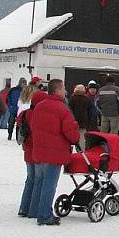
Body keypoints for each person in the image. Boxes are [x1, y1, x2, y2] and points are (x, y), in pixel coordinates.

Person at [30, 79, 80, 225]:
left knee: (39, 181)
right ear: (58, 90)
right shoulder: (62, 108)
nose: (65, 91)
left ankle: (34, 210)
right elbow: (71, 132)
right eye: (63, 88)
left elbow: (33, 125)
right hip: (55, 152)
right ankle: (44, 215)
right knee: (49, 185)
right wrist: (75, 138)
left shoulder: (39, 106)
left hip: (39, 150)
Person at [17, 90, 48, 217]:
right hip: (38, 151)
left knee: (30, 179)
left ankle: (24, 207)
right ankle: (34, 209)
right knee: (39, 180)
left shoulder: (24, 114)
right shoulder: (41, 116)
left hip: (27, 150)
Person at [69, 84, 96, 149]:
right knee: (82, 139)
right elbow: (91, 111)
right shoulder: (87, 99)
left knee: (71, 137)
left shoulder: (72, 98)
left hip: (73, 121)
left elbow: (69, 109)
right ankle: (81, 152)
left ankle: (70, 152)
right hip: (83, 121)